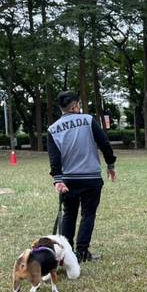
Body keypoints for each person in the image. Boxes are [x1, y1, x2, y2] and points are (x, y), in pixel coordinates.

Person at [47, 91, 117, 264]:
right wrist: (110, 164)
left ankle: (66, 253)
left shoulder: (53, 129)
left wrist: (58, 179)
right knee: (88, 214)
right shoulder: (88, 120)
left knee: (69, 214)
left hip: (68, 179)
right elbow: (104, 144)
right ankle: (82, 251)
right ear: (75, 106)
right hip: (91, 177)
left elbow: (54, 158)